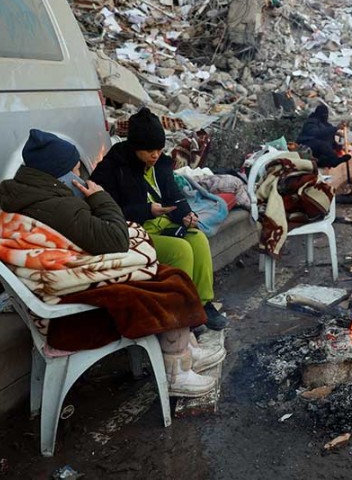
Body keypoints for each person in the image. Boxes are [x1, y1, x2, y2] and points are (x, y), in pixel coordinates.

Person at [0, 130, 223, 396]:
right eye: (75, 169)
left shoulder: (24, 193)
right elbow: (116, 239)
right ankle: (177, 371)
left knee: (171, 269)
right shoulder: (58, 205)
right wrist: (99, 197)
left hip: (57, 282)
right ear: (59, 174)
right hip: (67, 312)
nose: (80, 176)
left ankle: (185, 350)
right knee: (170, 284)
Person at [90, 108, 227, 330]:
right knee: (180, 250)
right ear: (135, 147)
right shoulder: (113, 167)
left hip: (162, 224)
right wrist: (146, 210)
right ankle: (179, 314)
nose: (155, 155)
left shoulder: (161, 164)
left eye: (159, 149)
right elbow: (105, 210)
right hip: (134, 232)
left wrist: (185, 215)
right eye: (149, 150)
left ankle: (202, 304)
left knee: (198, 239)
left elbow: (175, 196)